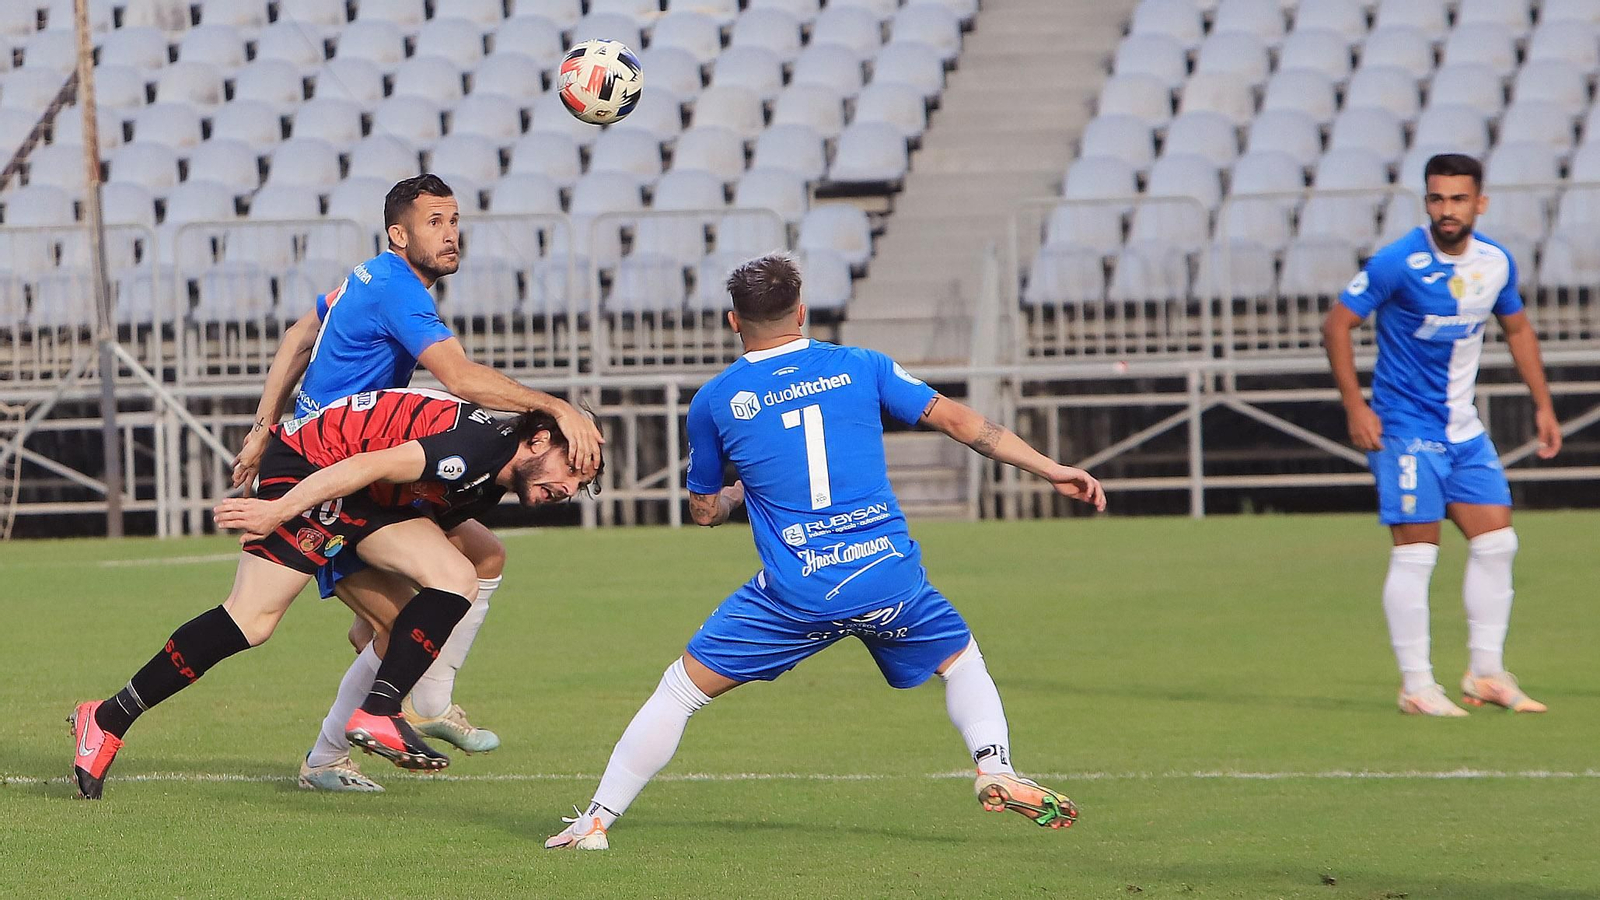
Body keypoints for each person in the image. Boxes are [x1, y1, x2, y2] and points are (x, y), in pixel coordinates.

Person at [544, 254, 1105, 851]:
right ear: (802, 313)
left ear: (733, 321)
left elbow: (704, 512)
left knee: (680, 692)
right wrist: (1052, 469)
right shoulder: (862, 365)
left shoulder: (715, 400)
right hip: (886, 575)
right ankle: (995, 765)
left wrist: (736, 493)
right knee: (962, 663)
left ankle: (596, 821)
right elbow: (963, 424)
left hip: (799, 591)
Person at [229, 174, 603, 791]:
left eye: (454, 221)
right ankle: (362, 737)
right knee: (382, 626)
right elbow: (459, 377)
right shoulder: (399, 292)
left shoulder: (370, 276)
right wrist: (558, 406)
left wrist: (263, 425)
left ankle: (424, 699)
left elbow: (299, 337)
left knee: (482, 557)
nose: (451, 234)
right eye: (435, 222)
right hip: (333, 471)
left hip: (351, 456)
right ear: (399, 235)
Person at [71, 388, 600, 800]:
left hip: (363, 496)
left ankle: (379, 711)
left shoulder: (489, 482)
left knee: (450, 580)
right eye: (571, 469)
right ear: (538, 441)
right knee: (251, 621)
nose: (569, 490)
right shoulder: (478, 448)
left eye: (582, 485)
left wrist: (377, 621)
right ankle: (109, 717)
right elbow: (367, 464)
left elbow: (402, 515)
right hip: (312, 468)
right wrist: (277, 511)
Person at [1323, 153, 1561, 718]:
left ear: (1480, 203)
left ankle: (1486, 674)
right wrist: (1356, 406)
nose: (1446, 209)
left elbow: (1518, 328)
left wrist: (1543, 404)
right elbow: (1337, 324)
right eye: (1437, 198)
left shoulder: (1495, 262)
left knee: (1497, 543)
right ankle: (1416, 685)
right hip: (1405, 427)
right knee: (1417, 554)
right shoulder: (1397, 261)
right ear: (1426, 201)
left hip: (1463, 428)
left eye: (1458, 199)